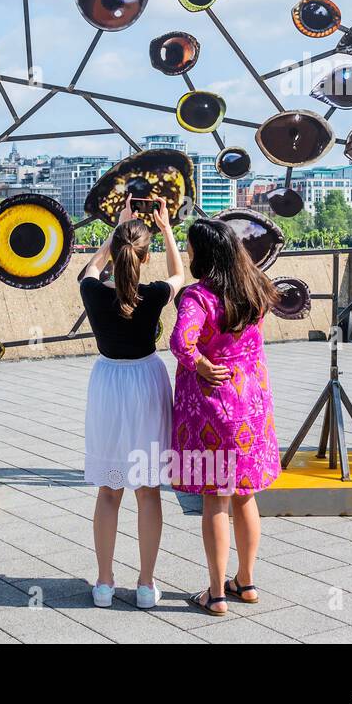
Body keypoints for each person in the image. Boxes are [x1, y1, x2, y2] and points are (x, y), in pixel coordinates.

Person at [169, 218, 280, 617]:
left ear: (203, 254)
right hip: (251, 407)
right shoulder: (256, 289)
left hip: (214, 407)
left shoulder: (198, 297)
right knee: (245, 495)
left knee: (215, 500)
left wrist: (199, 362)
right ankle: (246, 582)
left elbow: (182, 341)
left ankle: (216, 594)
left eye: (191, 247)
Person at [79, 196, 184, 610]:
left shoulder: (92, 292)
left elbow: (90, 269)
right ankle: (145, 585)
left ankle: (104, 584)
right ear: (145, 254)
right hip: (146, 380)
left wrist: (115, 230)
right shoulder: (155, 294)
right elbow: (179, 273)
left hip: (107, 382)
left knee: (108, 490)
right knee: (148, 490)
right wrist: (167, 228)